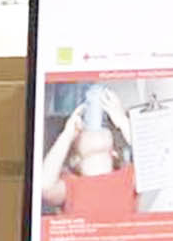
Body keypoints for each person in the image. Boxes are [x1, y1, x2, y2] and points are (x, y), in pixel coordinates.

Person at [40, 86, 137, 220]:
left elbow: (155, 161)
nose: (95, 129)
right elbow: (44, 185)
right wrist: (67, 135)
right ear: (75, 158)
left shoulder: (128, 176)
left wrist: (122, 121)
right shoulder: (71, 185)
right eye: (84, 130)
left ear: (114, 152)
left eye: (104, 126)